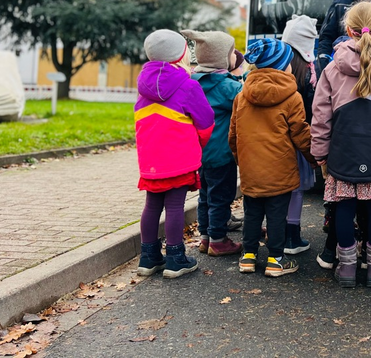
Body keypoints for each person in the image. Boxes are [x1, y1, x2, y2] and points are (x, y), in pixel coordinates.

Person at [311, 1, 371, 289]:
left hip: (342, 151)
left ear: (348, 30)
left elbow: (321, 116)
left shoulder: (332, 69)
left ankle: (347, 267)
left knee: (343, 206)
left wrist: (320, 153)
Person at [229, 38, 314, 277]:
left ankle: (248, 256)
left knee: (252, 212)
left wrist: (242, 160)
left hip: (251, 168)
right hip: (281, 170)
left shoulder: (242, 96)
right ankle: (276, 259)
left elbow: (233, 135)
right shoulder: (292, 97)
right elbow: (300, 134)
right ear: (282, 66)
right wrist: (314, 159)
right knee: (277, 215)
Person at [134, 30, 214, 279]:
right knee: (175, 206)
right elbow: (206, 121)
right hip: (179, 158)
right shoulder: (188, 85)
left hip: (151, 159)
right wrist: (197, 145)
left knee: (152, 205)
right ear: (180, 55)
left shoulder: (142, 86)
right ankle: (175, 257)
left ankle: (148, 257)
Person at [181, 30, 243, 259]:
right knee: (221, 197)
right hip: (221, 153)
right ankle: (218, 240)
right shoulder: (228, 87)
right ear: (222, 58)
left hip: (199, 153)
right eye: (231, 52)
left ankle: (205, 237)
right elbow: (246, 101)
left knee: (205, 196)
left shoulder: (192, 83)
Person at [281, 15, 319, 255]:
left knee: (279, 190)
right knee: (296, 190)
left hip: (275, 140)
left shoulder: (276, 64)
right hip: (298, 138)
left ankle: (277, 232)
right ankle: (292, 237)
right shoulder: (307, 71)